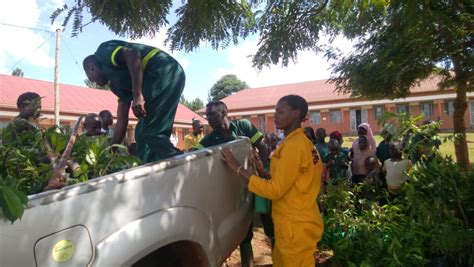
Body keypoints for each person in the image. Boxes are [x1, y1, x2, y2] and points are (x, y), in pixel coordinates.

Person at [221, 95, 323, 267]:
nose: (275, 116)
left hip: (294, 227)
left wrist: (239, 169)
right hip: (299, 223)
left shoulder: (293, 146)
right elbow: (290, 182)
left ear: (296, 114)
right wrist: (262, 171)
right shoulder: (300, 142)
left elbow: (275, 190)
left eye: (280, 111)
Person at [83, 40, 185, 163]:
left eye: (92, 80)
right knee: (141, 134)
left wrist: (137, 95)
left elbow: (132, 54)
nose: (97, 84)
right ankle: (149, 169)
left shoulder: (103, 52)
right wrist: (110, 153)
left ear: (91, 67)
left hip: (162, 69)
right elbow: (122, 121)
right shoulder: (116, 84)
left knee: (151, 132)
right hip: (165, 77)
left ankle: (184, 162)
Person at [196, 100, 269, 267]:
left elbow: (263, 148)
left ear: (224, 113)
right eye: (207, 116)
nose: (209, 119)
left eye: (212, 115)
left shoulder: (243, 126)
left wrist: (262, 171)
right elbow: (194, 154)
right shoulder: (209, 139)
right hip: (231, 190)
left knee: (268, 222)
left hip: (254, 182)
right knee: (243, 232)